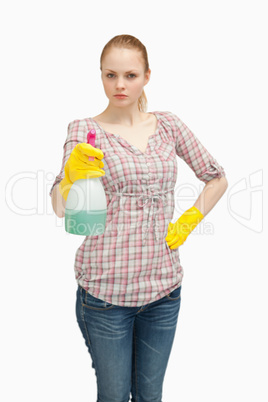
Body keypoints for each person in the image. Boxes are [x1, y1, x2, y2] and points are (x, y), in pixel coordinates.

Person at [50, 34, 228, 402]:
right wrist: (70, 176)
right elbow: (60, 207)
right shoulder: (85, 132)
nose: (119, 85)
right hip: (105, 294)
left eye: (130, 75)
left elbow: (216, 176)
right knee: (114, 396)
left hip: (163, 290)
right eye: (110, 75)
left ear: (147, 76)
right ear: (100, 76)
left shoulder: (168, 125)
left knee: (150, 395)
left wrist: (190, 219)